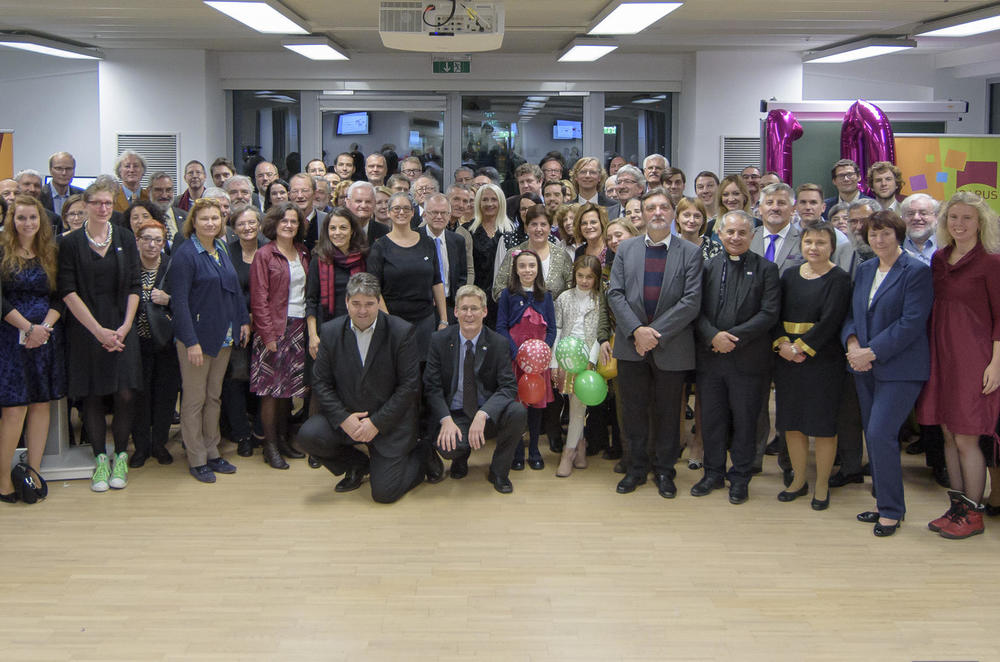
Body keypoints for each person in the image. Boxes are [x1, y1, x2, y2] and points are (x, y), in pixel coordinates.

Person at [295, 273, 433, 502]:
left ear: (378, 302)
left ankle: (423, 453)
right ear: (346, 302)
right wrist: (343, 418)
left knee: (384, 494)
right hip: (349, 417)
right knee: (309, 436)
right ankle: (357, 465)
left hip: (389, 423)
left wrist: (376, 423)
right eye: (356, 304)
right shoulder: (330, 332)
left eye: (369, 304)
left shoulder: (401, 332)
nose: (362, 311)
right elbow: (321, 382)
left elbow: (409, 386)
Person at [607, 187, 702, 497]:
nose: (657, 212)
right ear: (643, 214)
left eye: (663, 207)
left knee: (668, 414)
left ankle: (664, 470)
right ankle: (635, 469)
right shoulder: (626, 249)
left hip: (671, 346)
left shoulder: (690, 252)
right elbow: (615, 294)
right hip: (631, 344)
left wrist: (652, 334)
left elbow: (691, 301)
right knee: (633, 412)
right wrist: (637, 331)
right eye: (651, 208)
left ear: (673, 213)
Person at [843, 211, 932, 536]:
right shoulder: (866, 268)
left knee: (881, 433)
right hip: (863, 365)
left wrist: (872, 352)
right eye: (873, 234)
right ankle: (884, 503)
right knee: (873, 435)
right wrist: (852, 343)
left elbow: (911, 323)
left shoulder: (916, 271)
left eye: (885, 234)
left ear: (898, 235)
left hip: (900, 368)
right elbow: (853, 314)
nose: (879, 240)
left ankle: (892, 511)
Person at [917, 192, 1000, 539]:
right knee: (948, 435)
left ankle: (973, 513)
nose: (959, 224)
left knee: (967, 437)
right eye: (954, 217)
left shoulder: (991, 261)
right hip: (942, 356)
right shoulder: (939, 258)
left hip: (974, 358)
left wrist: (996, 363)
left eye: (967, 218)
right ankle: (958, 508)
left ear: (980, 223)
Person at [59, 180, 142, 492]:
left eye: (108, 203)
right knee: (92, 395)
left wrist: (124, 327)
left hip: (122, 327)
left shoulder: (124, 237)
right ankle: (100, 459)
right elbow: (67, 291)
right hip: (86, 329)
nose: (103, 208)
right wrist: (97, 331)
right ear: (85, 205)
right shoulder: (70, 243)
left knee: (125, 393)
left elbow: (135, 285)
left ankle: (120, 456)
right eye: (97, 203)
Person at [693, 210, 779, 504]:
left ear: (752, 236)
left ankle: (740, 477)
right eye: (730, 232)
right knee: (712, 420)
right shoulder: (707, 267)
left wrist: (731, 338)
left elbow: (769, 313)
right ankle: (713, 473)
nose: (736, 237)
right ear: (719, 234)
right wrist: (712, 336)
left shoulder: (767, 269)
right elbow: (696, 309)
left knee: (745, 421)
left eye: (742, 232)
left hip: (748, 360)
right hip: (711, 359)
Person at [169, 197, 250, 483]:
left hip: (223, 335)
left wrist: (243, 320)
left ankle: (213, 450)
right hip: (196, 339)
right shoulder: (186, 254)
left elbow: (234, 289)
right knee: (194, 400)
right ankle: (197, 457)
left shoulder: (221, 248)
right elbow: (179, 303)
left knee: (213, 396)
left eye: (215, 218)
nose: (211, 223)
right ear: (194, 222)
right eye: (204, 218)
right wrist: (190, 341)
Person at [772, 222, 851, 510]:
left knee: (822, 425)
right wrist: (783, 345)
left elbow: (831, 320)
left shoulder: (839, 278)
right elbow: (775, 313)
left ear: (832, 246)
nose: (814, 248)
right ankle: (798, 479)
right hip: (787, 362)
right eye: (808, 242)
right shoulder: (790, 275)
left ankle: (822, 484)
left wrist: (799, 348)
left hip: (823, 361)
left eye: (820, 242)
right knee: (792, 423)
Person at [423, 284, 528, 492]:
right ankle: (460, 457)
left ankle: (499, 472)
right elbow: (432, 387)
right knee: (448, 446)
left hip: (486, 413)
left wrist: (483, 413)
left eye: (474, 308)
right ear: (455, 312)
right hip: (456, 414)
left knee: (517, 412)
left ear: (485, 311)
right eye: (464, 309)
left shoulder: (498, 343)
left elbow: (508, 386)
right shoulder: (439, 340)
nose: (469, 314)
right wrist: (446, 420)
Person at [0, 195, 65, 504]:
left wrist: (43, 329)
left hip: (44, 339)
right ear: (12, 221)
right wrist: (27, 327)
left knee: (40, 404)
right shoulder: (2, 251)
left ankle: (34, 472)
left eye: (33, 217)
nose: (27, 223)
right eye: (21, 217)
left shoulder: (50, 252)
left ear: (42, 221)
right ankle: (3, 479)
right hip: (10, 338)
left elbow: (59, 297)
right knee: (15, 409)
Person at [250, 202, 310, 469]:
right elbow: (259, 298)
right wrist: (267, 334)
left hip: (299, 326)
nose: (289, 225)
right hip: (274, 329)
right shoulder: (264, 254)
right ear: (274, 224)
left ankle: (284, 440)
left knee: (289, 390)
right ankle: (270, 446)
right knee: (270, 391)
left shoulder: (303, 252)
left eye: (294, 221)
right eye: (284, 220)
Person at [368, 192, 448, 361]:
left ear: (413, 212)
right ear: (389, 212)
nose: (401, 212)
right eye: (396, 208)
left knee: (424, 369)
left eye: (406, 208)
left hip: (425, 321)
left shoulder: (427, 242)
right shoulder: (379, 246)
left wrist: (443, 320)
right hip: (393, 322)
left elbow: (437, 282)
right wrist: (389, 321)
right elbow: (374, 289)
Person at [496, 249, 556, 471]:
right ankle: (518, 450)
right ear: (515, 269)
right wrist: (517, 354)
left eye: (532, 265)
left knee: (536, 405)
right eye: (522, 266)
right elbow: (501, 327)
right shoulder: (507, 294)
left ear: (538, 269)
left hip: (538, 362)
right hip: (516, 360)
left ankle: (535, 450)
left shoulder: (546, 295)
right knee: (518, 404)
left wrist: (542, 353)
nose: (527, 270)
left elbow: (552, 329)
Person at [551, 255, 607, 477]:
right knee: (574, 406)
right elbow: (557, 330)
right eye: (580, 276)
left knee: (578, 407)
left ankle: (568, 453)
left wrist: (591, 361)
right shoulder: (564, 298)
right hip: (565, 358)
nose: (584, 281)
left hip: (587, 361)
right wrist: (555, 362)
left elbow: (600, 334)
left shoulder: (600, 301)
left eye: (589, 277)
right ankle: (580, 445)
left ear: (596, 279)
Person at [129, 219, 179, 467]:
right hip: (135, 343)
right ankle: (141, 447)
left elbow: (187, 300)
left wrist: (168, 299)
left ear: (163, 242)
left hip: (165, 342)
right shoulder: (128, 266)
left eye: (157, 240)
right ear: (137, 240)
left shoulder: (172, 266)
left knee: (165, 395)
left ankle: (159, 443)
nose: (152, 244)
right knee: (139, 396)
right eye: (147, 239)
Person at [224, 205, 266, 457]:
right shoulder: (226, 253)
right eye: (241, 223)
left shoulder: (269, 250)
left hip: (265, 325)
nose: (247, 227)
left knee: (264, 379)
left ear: (259, 225)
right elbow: (226, 292)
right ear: (233, 228)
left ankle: (261, 430)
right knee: (235, 380)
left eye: (252, 222)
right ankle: (241, 434)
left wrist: (255, 318)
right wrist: (243, 319)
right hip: (236, 325)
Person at [306, 206, 368, 358]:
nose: (337, 232)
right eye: (333, 228)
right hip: (326, 330)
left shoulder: (364, 258)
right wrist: (312, 336)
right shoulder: (318, 259)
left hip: (359, 328)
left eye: (343, 228)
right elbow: (311, 300)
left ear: (352, 230)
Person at [493, 204, 572, 302]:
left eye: (543, 224)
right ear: (527, 227)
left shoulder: (562, 256)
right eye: (534, 224)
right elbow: (498, 289)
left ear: (550, 228)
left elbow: (571, 291)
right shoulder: (512, 254)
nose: (538, 229)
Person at [464, 183, 516, 329]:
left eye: (494, 199)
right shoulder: (467, 230)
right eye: (485, 199)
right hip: (475, 297)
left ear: (501, 202)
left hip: (503, 299)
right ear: (478, 202)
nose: (489, 204)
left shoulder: (511, 232)